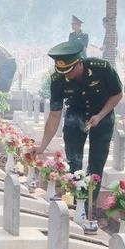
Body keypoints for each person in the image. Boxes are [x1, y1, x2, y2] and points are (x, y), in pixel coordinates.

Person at [32, 41, 123, 211]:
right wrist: (42, 146)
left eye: (69, 70)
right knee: (74, 160)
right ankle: (75, 201)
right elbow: (54, 114)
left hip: (102, 115)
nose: (67, 76)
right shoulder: (58, 80)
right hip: (75, 117)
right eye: (62, 72)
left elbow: (117, 94)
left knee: (96, 162)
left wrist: (100, 115)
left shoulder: (101, 68)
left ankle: (89, 205)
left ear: (80, 62)